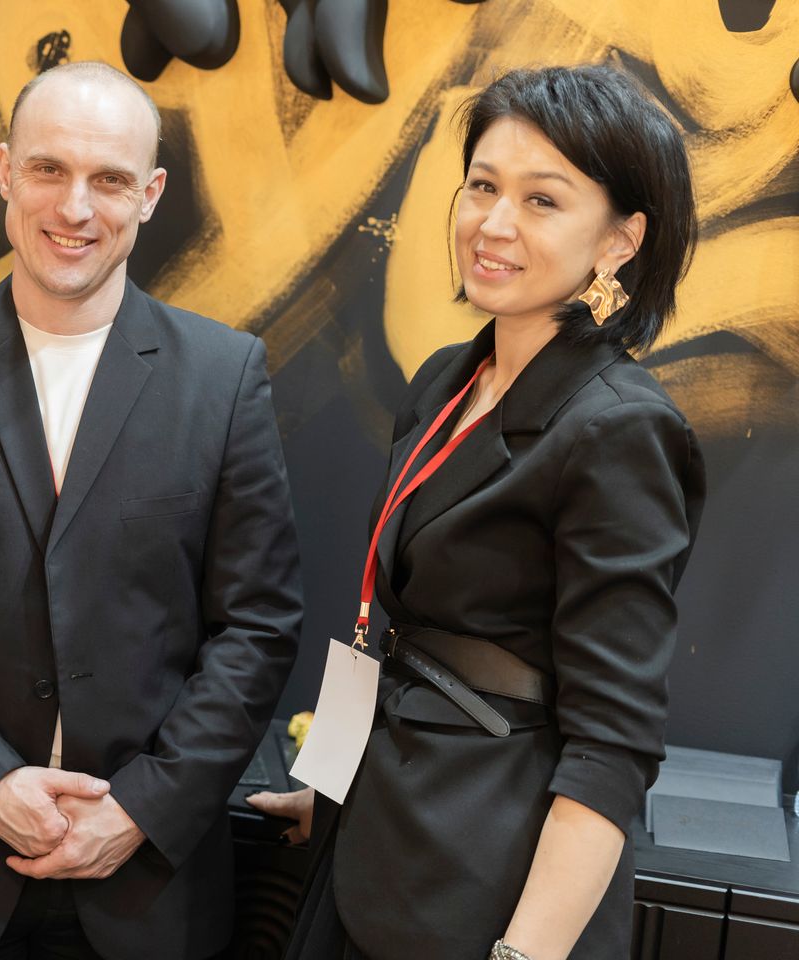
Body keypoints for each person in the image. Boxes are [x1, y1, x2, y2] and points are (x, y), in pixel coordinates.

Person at [0, 60, 304, 960]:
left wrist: (140, 809)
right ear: (6, 171)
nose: (74, 207)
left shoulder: (224, 377)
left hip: (146, 893)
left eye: (109, 180)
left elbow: (259, 627)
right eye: (49, 169)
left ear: (149, 195)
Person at [247, 64, 706, 959]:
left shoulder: (620, 429)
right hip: (376, 838)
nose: (493, 224)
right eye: (483, 186)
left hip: (488, 880)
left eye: (543, 201)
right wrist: (337, 790)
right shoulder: (445, 382)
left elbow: (612, 744)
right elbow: (401, 632)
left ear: (620, 240)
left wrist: (522, 955)